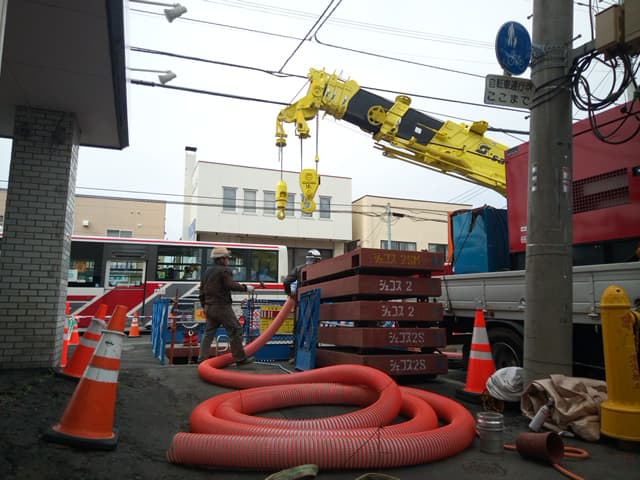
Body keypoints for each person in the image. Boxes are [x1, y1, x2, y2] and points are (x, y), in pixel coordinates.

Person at [197, 246, 256, 365]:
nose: (228, 260)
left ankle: (202, 360)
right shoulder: (224, 270)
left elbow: (201, 290)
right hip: (221, 307)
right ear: (222, 259)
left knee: (208, 333)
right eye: (227, 258)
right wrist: (245, 288)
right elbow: (230, 284)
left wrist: (205, 305)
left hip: (209, 306)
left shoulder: (207, 271)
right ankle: (240, 359)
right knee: (236, 330)